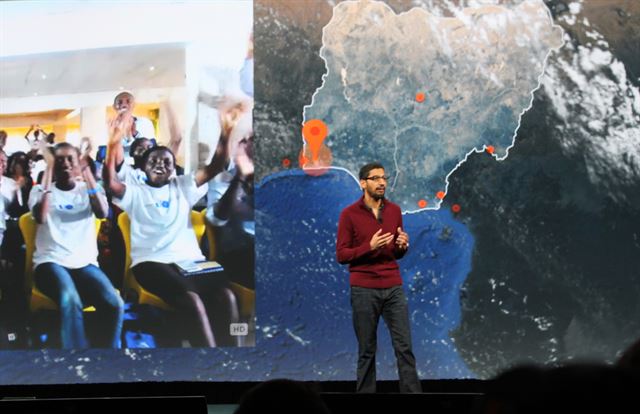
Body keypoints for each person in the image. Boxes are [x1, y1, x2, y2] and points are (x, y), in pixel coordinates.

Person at [104, 111, 238, 347]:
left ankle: (235, 355)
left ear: (173, 168)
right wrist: (113, 140)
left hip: (190, 261)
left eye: (167, 161)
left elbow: (216, 165)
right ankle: (210, 360)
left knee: (227, 297)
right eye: (154, 161)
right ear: (143, 167)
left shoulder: (183, 185)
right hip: (151, 262)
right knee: (192, 299)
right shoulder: (135, 191)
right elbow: (110, 182)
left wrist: (226, 132)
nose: (160, 165)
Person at [336, 162, 421, 393]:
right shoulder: (349, 215)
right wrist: (368, 246)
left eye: (384, 178)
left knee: (404, 348)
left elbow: (395, 252)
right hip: (364, 288)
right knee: (367, 350)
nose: (382, 182)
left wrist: (402, 246)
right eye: (375, 178)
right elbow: (342, 255)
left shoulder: (394, 211)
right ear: (363, 183)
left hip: (393, 286)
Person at [29, 142, 123, 349]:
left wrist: (87, 173)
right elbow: (41, 217)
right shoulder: (40, 190)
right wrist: (48, 175)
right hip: (50, 262)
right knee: (70, 299)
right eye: (59, 159)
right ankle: (76, 360)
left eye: (70, 159)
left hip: (84, 264)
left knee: (115, 303)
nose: (65, 164)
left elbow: (102, 212)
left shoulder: (88, 190)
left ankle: (107, 358)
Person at [112, 91, 156, 158]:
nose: (124, 105)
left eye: (128, 102)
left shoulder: (145, 123)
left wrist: (135, 134)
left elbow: (151, 147)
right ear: (114, 106)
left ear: (134, 105)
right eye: (119, 102)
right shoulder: (110, 126)